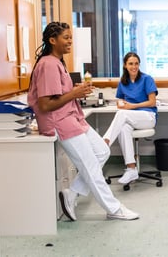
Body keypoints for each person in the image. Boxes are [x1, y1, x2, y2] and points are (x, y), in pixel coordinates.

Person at [27, 22, 139, 222]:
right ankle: (114, 209)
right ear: (52, 40)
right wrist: (74, 93)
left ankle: (71, 194)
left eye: (71, 37)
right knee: (90, 167)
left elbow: (59, 95)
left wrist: (75, 92)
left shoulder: (58, 62)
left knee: (102, 152)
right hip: (60, 122)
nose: (70, 41)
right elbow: (45, 105)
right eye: (65, 37)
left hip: (73, 118)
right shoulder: (48, 64)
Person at [103, 52, 158, 184]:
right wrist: (121, 104)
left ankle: (105, 143)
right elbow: (121, 101)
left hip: (148, 117)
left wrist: (132, 106)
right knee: (123, 129)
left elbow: (152, 102)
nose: (134, 66)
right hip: (131, 118)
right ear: (125, 65)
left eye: (136, 63)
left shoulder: (147, 79)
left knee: (122, 115)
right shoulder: (123, 82)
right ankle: (131, 169)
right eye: (131, 64)